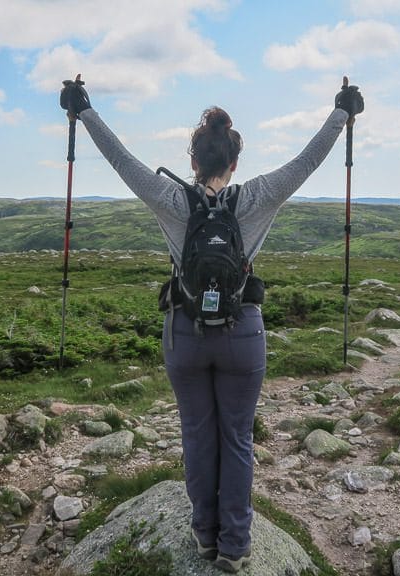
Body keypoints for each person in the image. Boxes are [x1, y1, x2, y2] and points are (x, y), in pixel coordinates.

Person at [60, 76, 363, 573]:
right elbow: (309, 161)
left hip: (185, 333)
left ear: (193, 162)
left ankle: (204, 538)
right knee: (237, 438)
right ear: (235, 162)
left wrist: (85, 112)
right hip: (244, 333)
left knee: (198, 436)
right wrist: (341, 114)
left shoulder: (171, 199)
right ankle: (235, 546)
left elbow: (121, 161)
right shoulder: (260, 195)